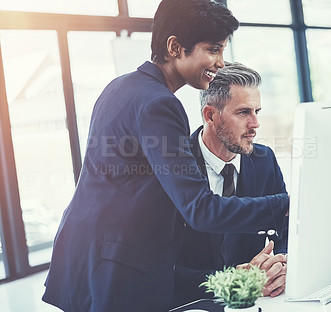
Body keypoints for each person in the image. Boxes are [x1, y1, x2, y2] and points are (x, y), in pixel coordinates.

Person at [42, 1, 289, 311]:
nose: (221, 62)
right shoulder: (159, 104)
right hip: (116, 265)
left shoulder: (121, 87)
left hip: (87, 258)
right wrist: (285, 205)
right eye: (213, 49)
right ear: (175, 47)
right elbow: (200, 209)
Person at [173, 62, 288, 307]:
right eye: (244, 112)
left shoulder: (264, 160)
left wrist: (280, 264)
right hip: (194, 304)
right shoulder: (175, 168)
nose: (255, 124)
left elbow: (287, 230)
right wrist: (231, 280)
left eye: (257, 111)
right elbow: (161, 267)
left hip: (259, 302)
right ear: (210, 115)